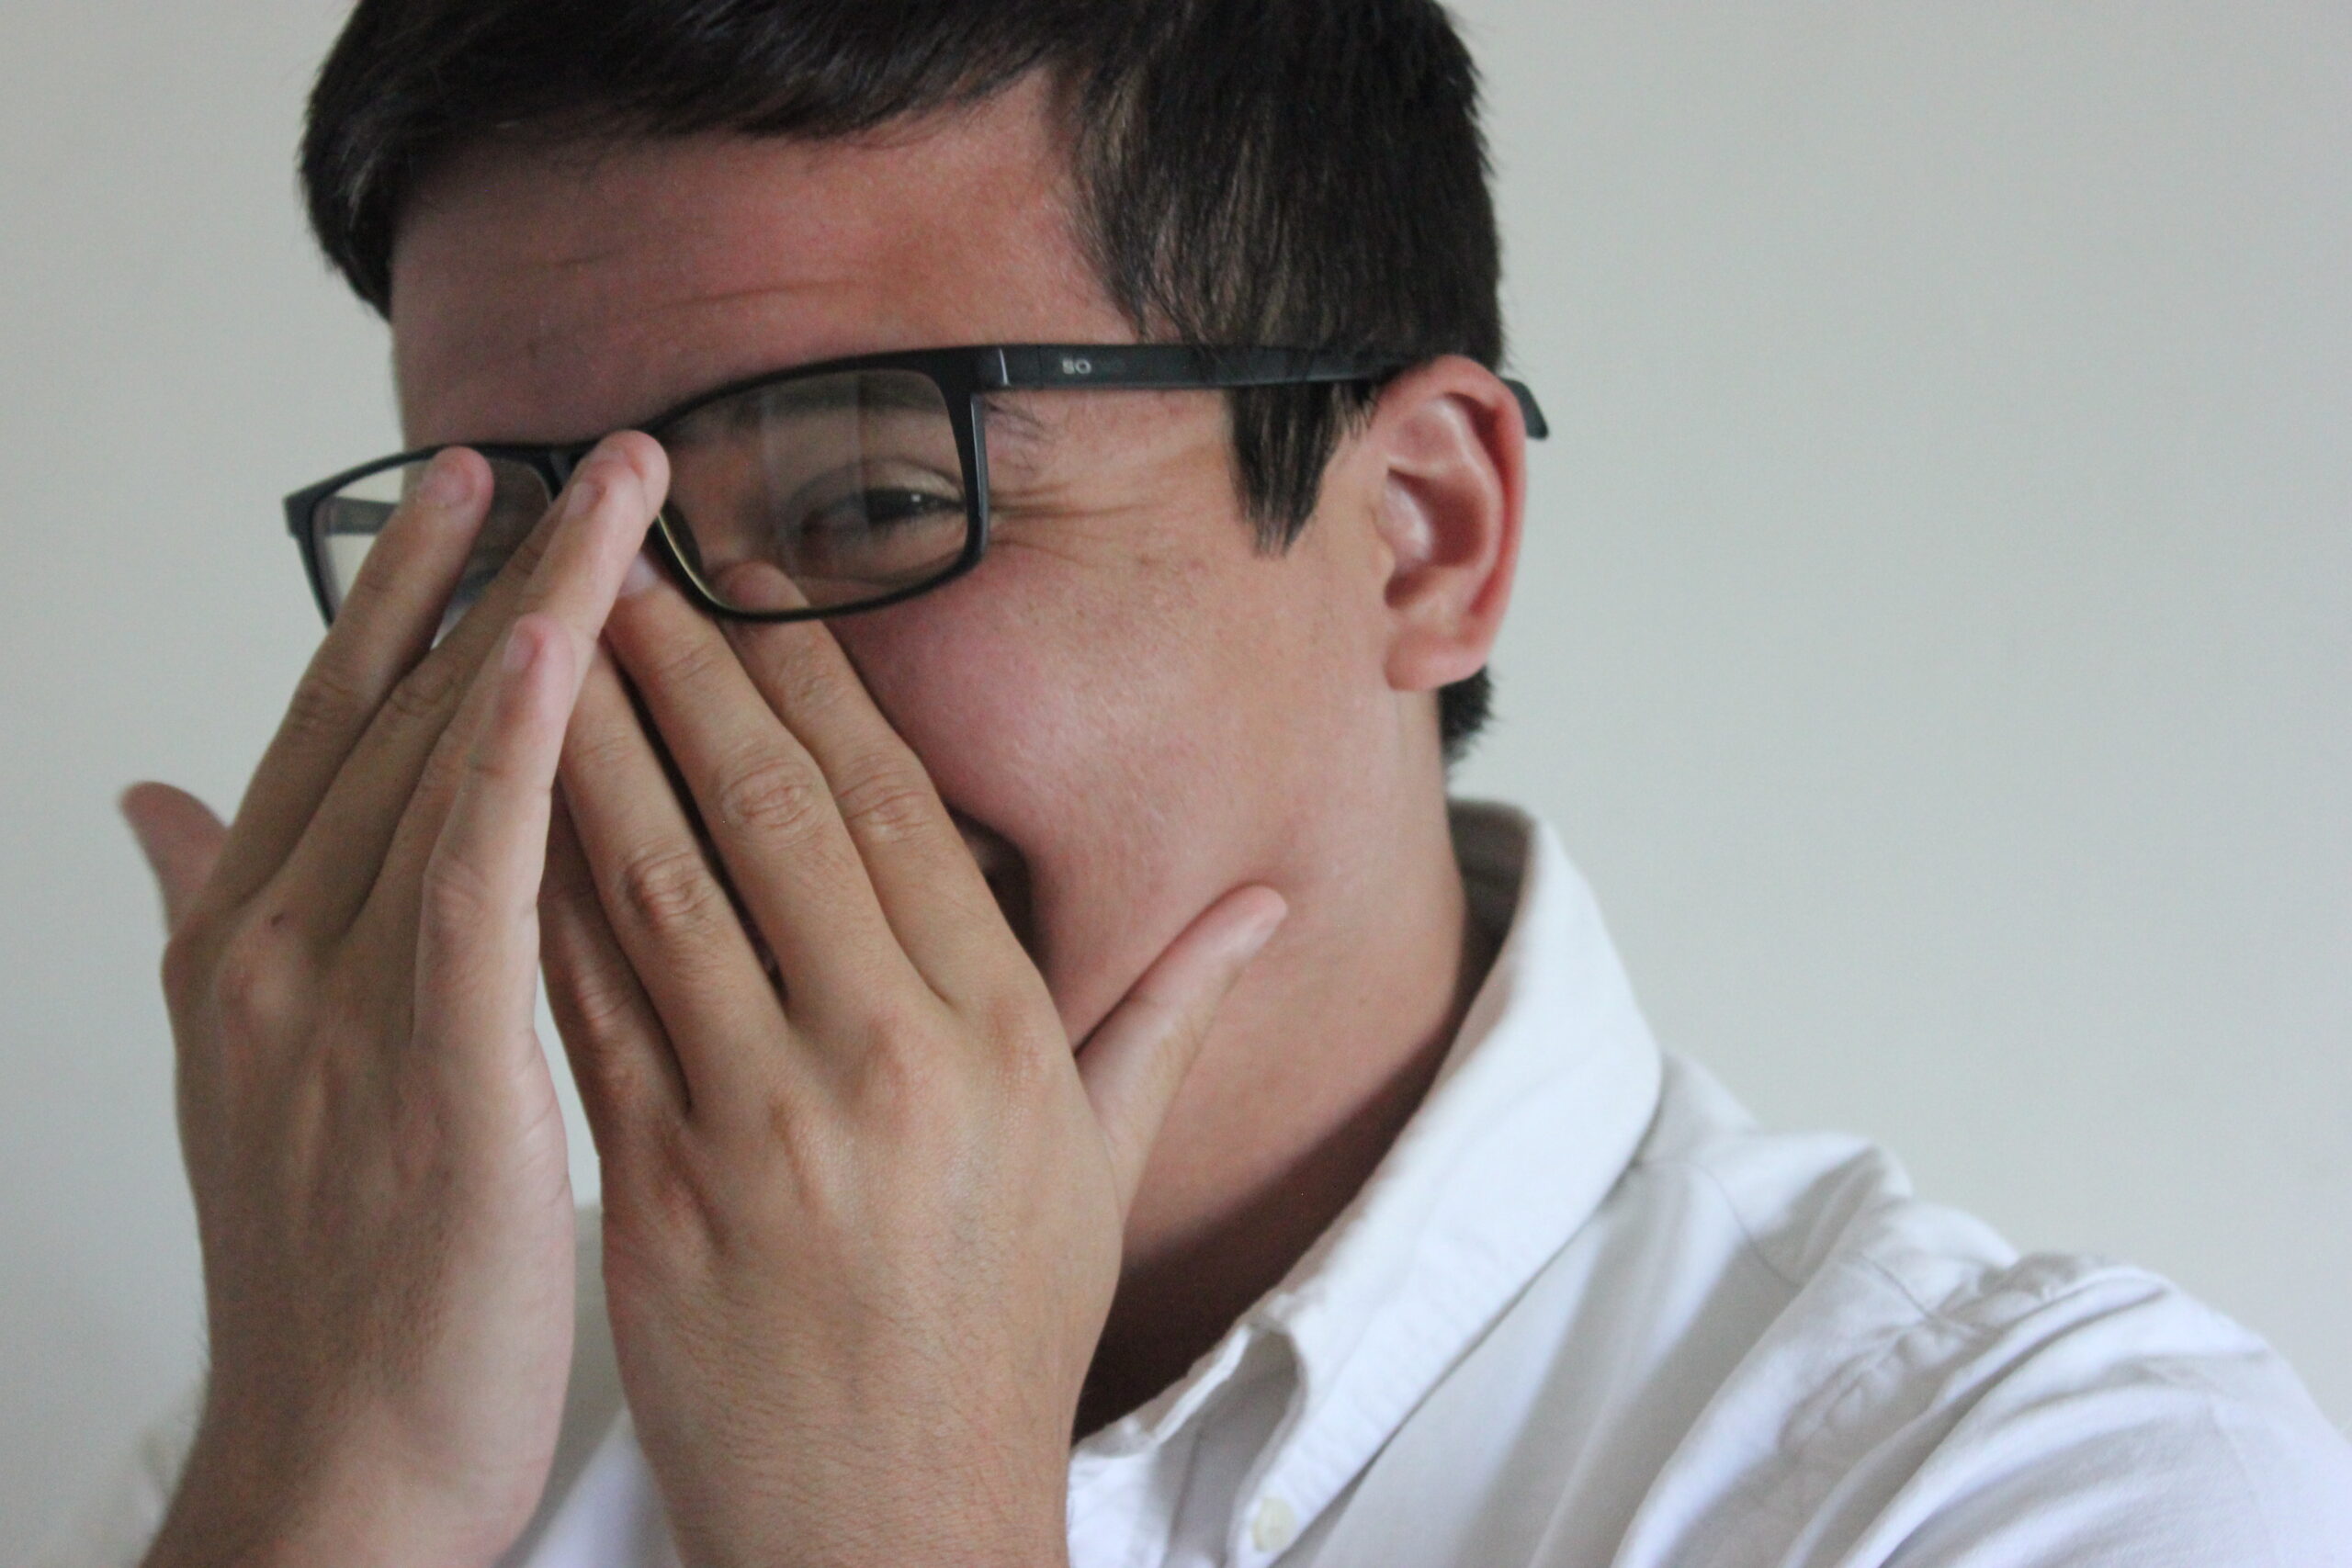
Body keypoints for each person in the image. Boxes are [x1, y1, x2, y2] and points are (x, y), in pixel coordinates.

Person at [40, 2, 2352, 1565]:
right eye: (519, 548)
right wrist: (318, 1483)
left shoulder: (2035, 1487)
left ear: (1417, 530)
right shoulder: (406, 1395)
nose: (624, 703)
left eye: (863, 500)